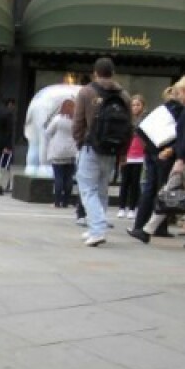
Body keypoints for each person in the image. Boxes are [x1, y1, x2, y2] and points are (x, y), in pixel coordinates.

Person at [135, 74, 185, 248]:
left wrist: (179, 159)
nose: (178, 95)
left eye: (180, 92)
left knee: (166, 195)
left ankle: (147, 230)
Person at [72, 60, 131, 246]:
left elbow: (78, 122)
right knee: (102, 189)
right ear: (113, 72)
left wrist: (79, 141)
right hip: (113, 149)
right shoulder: (124, 95)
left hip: (91, 146)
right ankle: (96, 227)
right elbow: (129, 126)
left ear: (95, 72)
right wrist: (123, 152)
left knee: (88, 190)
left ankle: (97, 230)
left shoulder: (87, 92)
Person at [43, 97, 77, 208]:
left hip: (58, 151)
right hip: (72, 151)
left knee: (58, 176)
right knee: (69, 177)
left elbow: (47, 133)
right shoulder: (76, 120)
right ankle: (66, 201)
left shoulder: (58, 119)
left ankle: (57, 202)